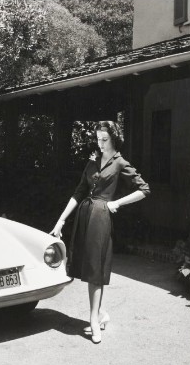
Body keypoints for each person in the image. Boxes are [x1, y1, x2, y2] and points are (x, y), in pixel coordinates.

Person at [51, 121, 150, 344]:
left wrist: (117, 203)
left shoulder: (120, 163)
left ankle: (94, 320)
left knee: (96, 272)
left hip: (101, 218)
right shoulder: (92, 161)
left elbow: (144, 189)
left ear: (114, 139)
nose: (101, 144)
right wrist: (61, 220)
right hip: (85, 216)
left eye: (104, 139)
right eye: (98, 139)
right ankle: (101, 314)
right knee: (88, 270)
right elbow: (79, 192)